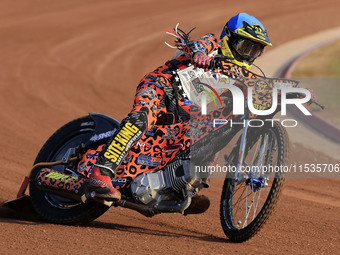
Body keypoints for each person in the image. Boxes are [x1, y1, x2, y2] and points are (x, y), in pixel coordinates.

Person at [87, 13, 273, 213]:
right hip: (160, 86)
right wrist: (199, 54)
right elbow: (197, 45)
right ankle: (100, 172)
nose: (248, 55)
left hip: (183, 113)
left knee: (217, 127)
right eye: (245, 47)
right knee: (142, 118)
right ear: (229, 39)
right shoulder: (212, 44)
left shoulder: (237, 77)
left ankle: (182, 186)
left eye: (255, 51)